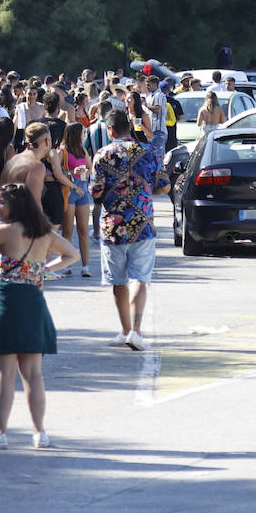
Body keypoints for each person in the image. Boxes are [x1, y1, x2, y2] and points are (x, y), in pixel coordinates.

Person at [0, 183, 79, 450]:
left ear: (15, 206)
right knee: (33, 373)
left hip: (6, 300)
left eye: (0, 203)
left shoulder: (5, 231)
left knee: (4, 373)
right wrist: (40, 271)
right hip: (33, 301)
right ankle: (40, 433)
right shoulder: (44, 232)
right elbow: (72, 255)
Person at [90, 109, 171, 352]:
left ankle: (125, 330)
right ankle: (136, 331)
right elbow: (165, 187)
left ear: (111, 130)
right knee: (140, 278)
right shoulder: (150, 153)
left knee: (119, 282)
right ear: (130, 127)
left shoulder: (102, 155)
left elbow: (96, 194)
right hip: (143, 224)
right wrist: (143, 191)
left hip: (113, 227)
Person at [2, 123, 64, 230]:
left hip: (7, 222)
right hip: (23, 227)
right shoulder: (37, 166)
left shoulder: (13, 160)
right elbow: (35, 202)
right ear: (46, 141)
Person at [60, 122, 92, 277]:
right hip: (69, 190)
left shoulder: (82, 149)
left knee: (83, 229)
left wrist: (83, 172)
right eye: (82, 133)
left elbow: (89, 167)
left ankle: (85, 266)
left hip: (83, 189)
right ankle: (66, 264)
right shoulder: (62, 151)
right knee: (68, 230)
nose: (84, 135)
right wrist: (73, 173)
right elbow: (58, 173)